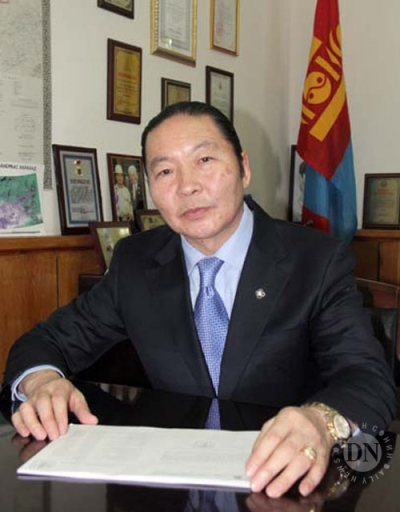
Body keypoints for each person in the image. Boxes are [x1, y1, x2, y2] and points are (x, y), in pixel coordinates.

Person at [3, 101, 396, 499]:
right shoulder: (136, 262)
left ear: (243, 168)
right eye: (165, 171)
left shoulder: (316, 260)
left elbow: (368, 377)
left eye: (204, 160)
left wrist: (323, 422)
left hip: (284, 489)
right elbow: (46, 341)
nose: (187, 186)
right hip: (172, 490)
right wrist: (42, 381)